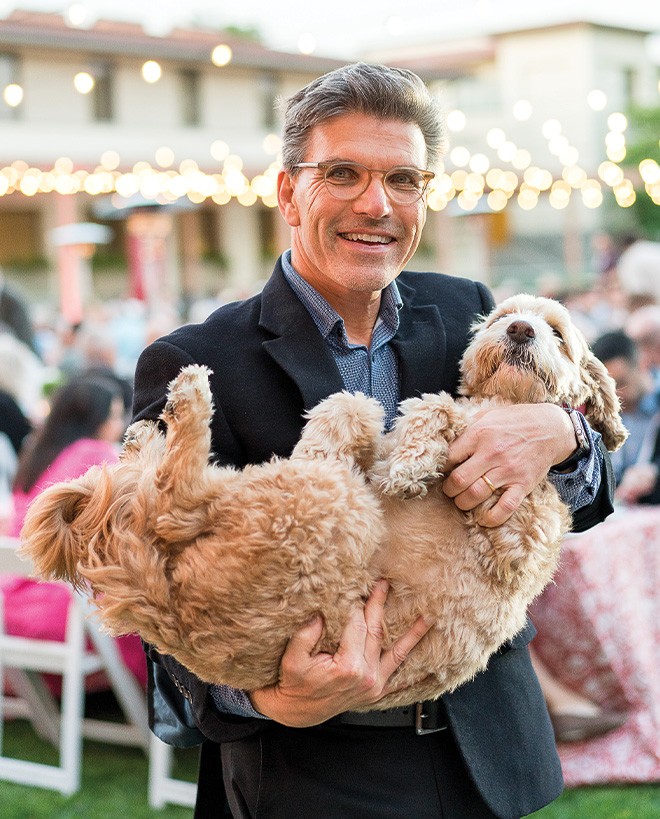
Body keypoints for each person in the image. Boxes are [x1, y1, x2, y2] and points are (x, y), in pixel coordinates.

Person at [132, 63, 615, 819]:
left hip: (487, 750)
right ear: (288, 191)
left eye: (403, 179)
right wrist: (264, 698)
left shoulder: (471, 310)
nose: (377, 204)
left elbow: (585, 498)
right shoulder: (195, 360)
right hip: (311, 764)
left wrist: (563, 433)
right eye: (343, 173)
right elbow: (151, 581)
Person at [3, 373, 146, 692]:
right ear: (95, 420)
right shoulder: (94, 453)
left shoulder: (35, 456)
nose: (120, 423)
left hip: (11, 604)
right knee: (147, 608)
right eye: (114, 415)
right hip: (61, 607)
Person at [592, 329, 660, 504]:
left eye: (621, 383)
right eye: (607, 388)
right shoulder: (600, 414)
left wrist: (655, 473)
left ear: (642, 365)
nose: (615, 396)